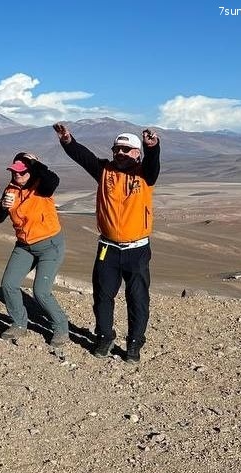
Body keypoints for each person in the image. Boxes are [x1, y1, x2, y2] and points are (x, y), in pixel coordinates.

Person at [53, 123, 161, 362]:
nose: (120, 153)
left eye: (126, 149)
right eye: (116, 149)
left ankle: (134, 343)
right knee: (102, 296)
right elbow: (84, 157)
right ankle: (104, 336)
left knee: (137, 299)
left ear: (137, 153)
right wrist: (68, 140)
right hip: (108, 248)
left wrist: (153, 147)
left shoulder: (145, 174)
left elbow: (153, 163)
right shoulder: (104, 171)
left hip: (137, 249)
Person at [0, 152, 69, 346]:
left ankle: (61, 327)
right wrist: (2, 206)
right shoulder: (10, 190)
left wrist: (35, 163)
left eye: (22, 172)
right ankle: (19, 324)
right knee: (8, 284)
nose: (17, 175)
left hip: (50, 245)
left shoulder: (42, 186)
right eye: (14, 172)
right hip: (24, 246)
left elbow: (53, 180)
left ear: (31, 171)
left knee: (41, 292)